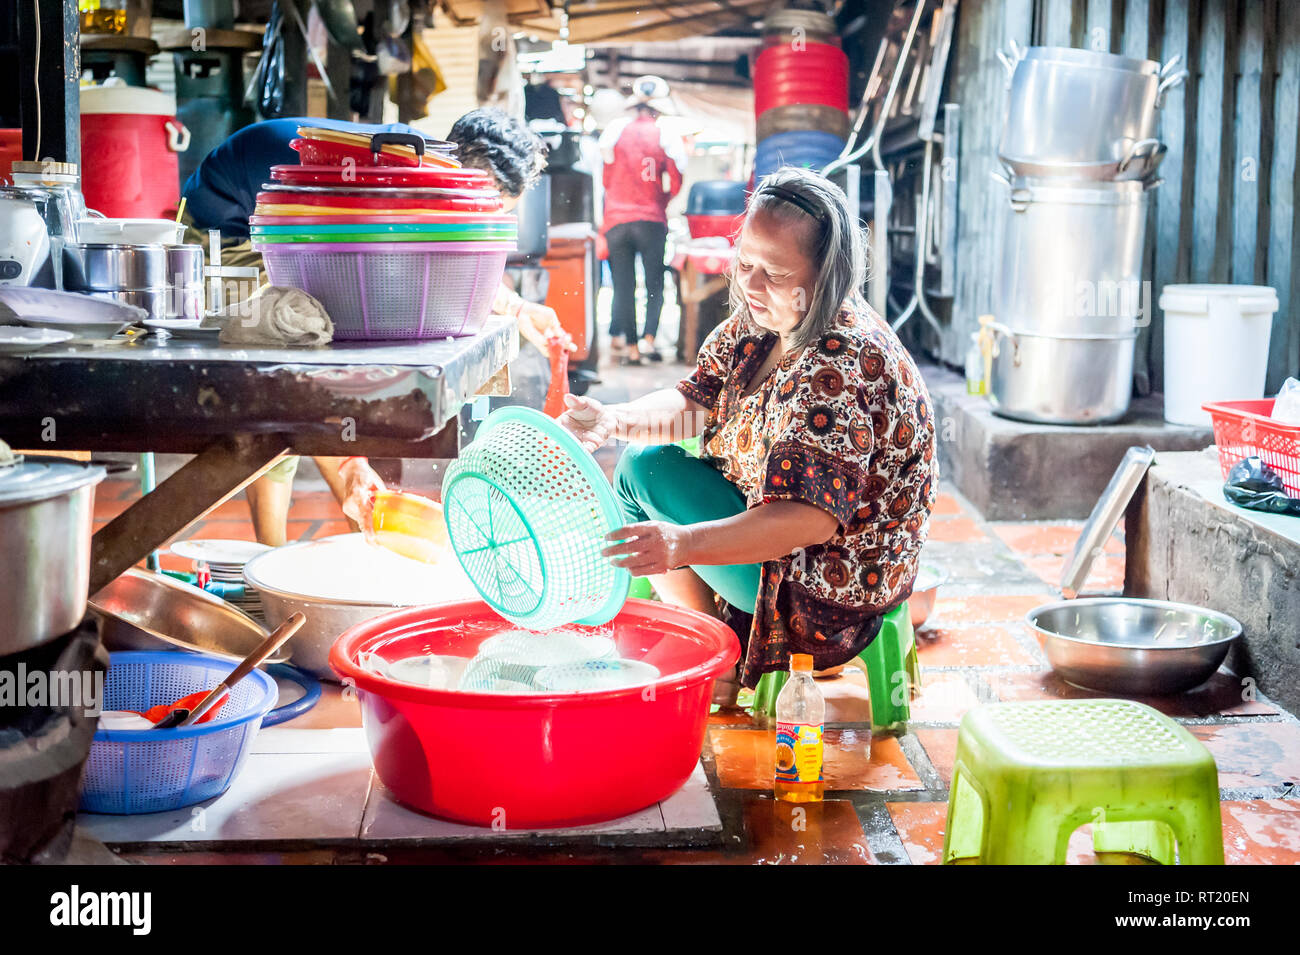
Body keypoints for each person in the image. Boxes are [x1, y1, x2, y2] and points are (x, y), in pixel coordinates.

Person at [558, 167, 937, 702]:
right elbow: (696, 401)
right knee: (641, 465)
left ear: (825, 277)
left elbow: (806, 520)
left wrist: (683, 543)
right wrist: (614, 419)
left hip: (821, 589)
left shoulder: (841, 367)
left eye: (775, 273)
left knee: (646, 477)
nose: (751, 285)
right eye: (746, 263)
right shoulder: (763, 322)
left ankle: (724, 657)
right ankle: (715, 636)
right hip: (772, 530)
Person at [181, 112, 569, 545]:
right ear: (464, 171)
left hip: (285, 232)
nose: (482, 215)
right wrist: (350, 462)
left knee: (311, 374)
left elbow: (443, 258)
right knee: (292, 362)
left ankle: (351, 520)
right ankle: (285, 552)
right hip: (223, 234)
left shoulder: (425, 168)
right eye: (488, 202)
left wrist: (517, 308)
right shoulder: (389, 169)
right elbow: (347, 259)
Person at [598, 76, 687, 365]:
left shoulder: (614, 130)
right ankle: (649, 341)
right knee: (653, 284)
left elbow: (606, 177)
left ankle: (632, 347)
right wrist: (660, 202)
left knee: (623, 286)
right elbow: (676, 178)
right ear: (659, 109)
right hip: (651, 220)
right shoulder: (666, 132)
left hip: (616, 221)